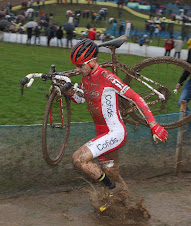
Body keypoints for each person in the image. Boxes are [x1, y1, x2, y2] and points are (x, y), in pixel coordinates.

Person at [68, 39, 168, 205]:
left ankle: (112, 189)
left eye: (80, 65)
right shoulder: (86, 78)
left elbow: (135, 97)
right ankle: (131, 206)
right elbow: (81, 99)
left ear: (92, 62)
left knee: (78, 159)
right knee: (112, 173)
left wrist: (153, 124)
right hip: (102, 133)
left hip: (114, 132)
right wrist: (70, 91)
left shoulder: (107, 77)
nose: (77, 70)